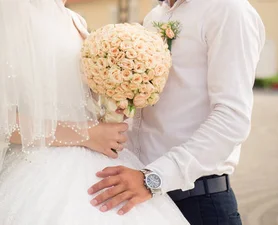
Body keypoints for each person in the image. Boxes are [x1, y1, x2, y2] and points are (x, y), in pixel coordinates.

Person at [0, 0, 189, 224]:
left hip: (99, 162)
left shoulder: (74, 19)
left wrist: (117, 101)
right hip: (39, 173)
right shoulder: (12, 12)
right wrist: (86, 134)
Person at [87, 0, 265, 225]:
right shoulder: (156, 16)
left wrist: (153, 178)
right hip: (144, 201)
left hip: (198, 202)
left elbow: (232, 118)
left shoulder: (228, 10)